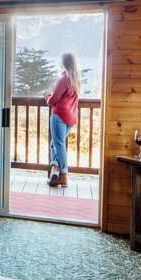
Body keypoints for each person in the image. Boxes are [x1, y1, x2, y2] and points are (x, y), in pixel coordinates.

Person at [45, 53, 80, 188]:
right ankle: (55, 170)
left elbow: (53, 100)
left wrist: (47, 96)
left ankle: (63, 175)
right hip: (71, 118)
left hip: (59, 116)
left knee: (58, 145)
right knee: (54, 145)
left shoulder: (63, 80)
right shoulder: (76, 80)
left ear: (64, 63)